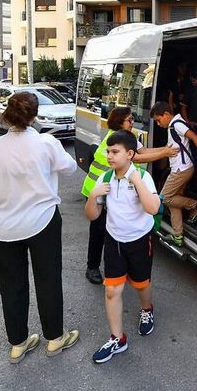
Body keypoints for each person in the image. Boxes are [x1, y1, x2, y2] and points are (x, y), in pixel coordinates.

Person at [0, 91, 80, 364]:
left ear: (8, 114)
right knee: (48, 280)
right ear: (34, 116)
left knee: (11, 285)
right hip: (42, 220)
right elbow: (69, 168)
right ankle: (55, 338)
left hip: (3, 226)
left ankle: (17, 343)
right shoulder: (46, 142)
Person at [85, 130, 161, 364]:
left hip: (139, 240)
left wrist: (136, 181)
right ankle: (118, 338)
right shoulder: (105, 179)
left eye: (114, 152)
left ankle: (147, 309)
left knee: (141, 284)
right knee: (112, 290)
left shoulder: (142, 176)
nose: (109, 156)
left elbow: (153, 209)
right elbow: (92, 215)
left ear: (130, 154)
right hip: (114, 241)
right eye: (108, 151)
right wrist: (93, 197)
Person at [80, 106, 177, 285]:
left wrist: (165, 148)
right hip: (98, 188)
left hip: (114, 189)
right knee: (99, 231)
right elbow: (137, 159)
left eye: (133, 119)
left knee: (112, 227)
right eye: (129, 120)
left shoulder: (128, 138)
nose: (133, 123)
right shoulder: (115, 139)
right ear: (119, 122)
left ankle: (118, 267)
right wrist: (164, 153)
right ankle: (92, 267)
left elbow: (142, 152)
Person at [150, 102, 197, 248]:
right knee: (174, 202)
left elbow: (195, 138)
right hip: (181, 168)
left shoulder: (176, 124)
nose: (158, 124)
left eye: (158, 120)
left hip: (181, 170)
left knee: (165, 198)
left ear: (166, 115)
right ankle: (178, 235)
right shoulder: (174, 124)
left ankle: (194, 205)